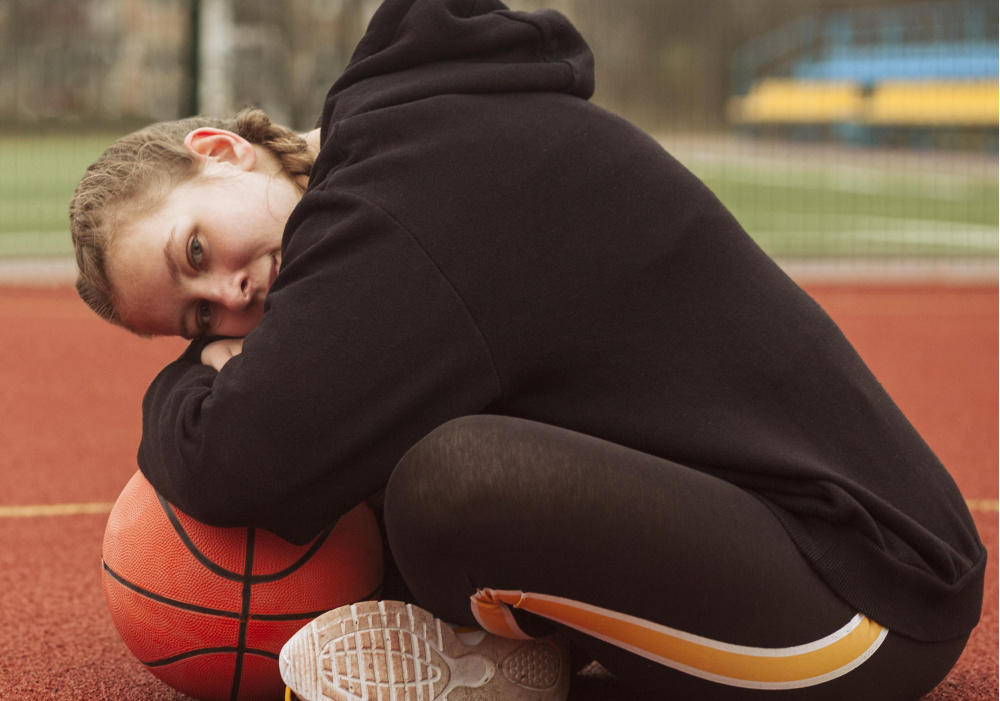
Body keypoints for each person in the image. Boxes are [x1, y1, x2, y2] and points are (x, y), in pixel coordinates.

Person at [70, 1, 985, 699]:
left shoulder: (392, 204)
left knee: (452, 482)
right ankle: (523, 636)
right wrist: (212, 371)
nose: (228, 299)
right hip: (805, 546)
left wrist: (184, 386)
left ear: (220, 149)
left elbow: (240, 460)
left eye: (195, 252)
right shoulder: (404, 143)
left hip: (864, 601)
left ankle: (511, 664)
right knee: (392, 463)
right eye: (196, 322)